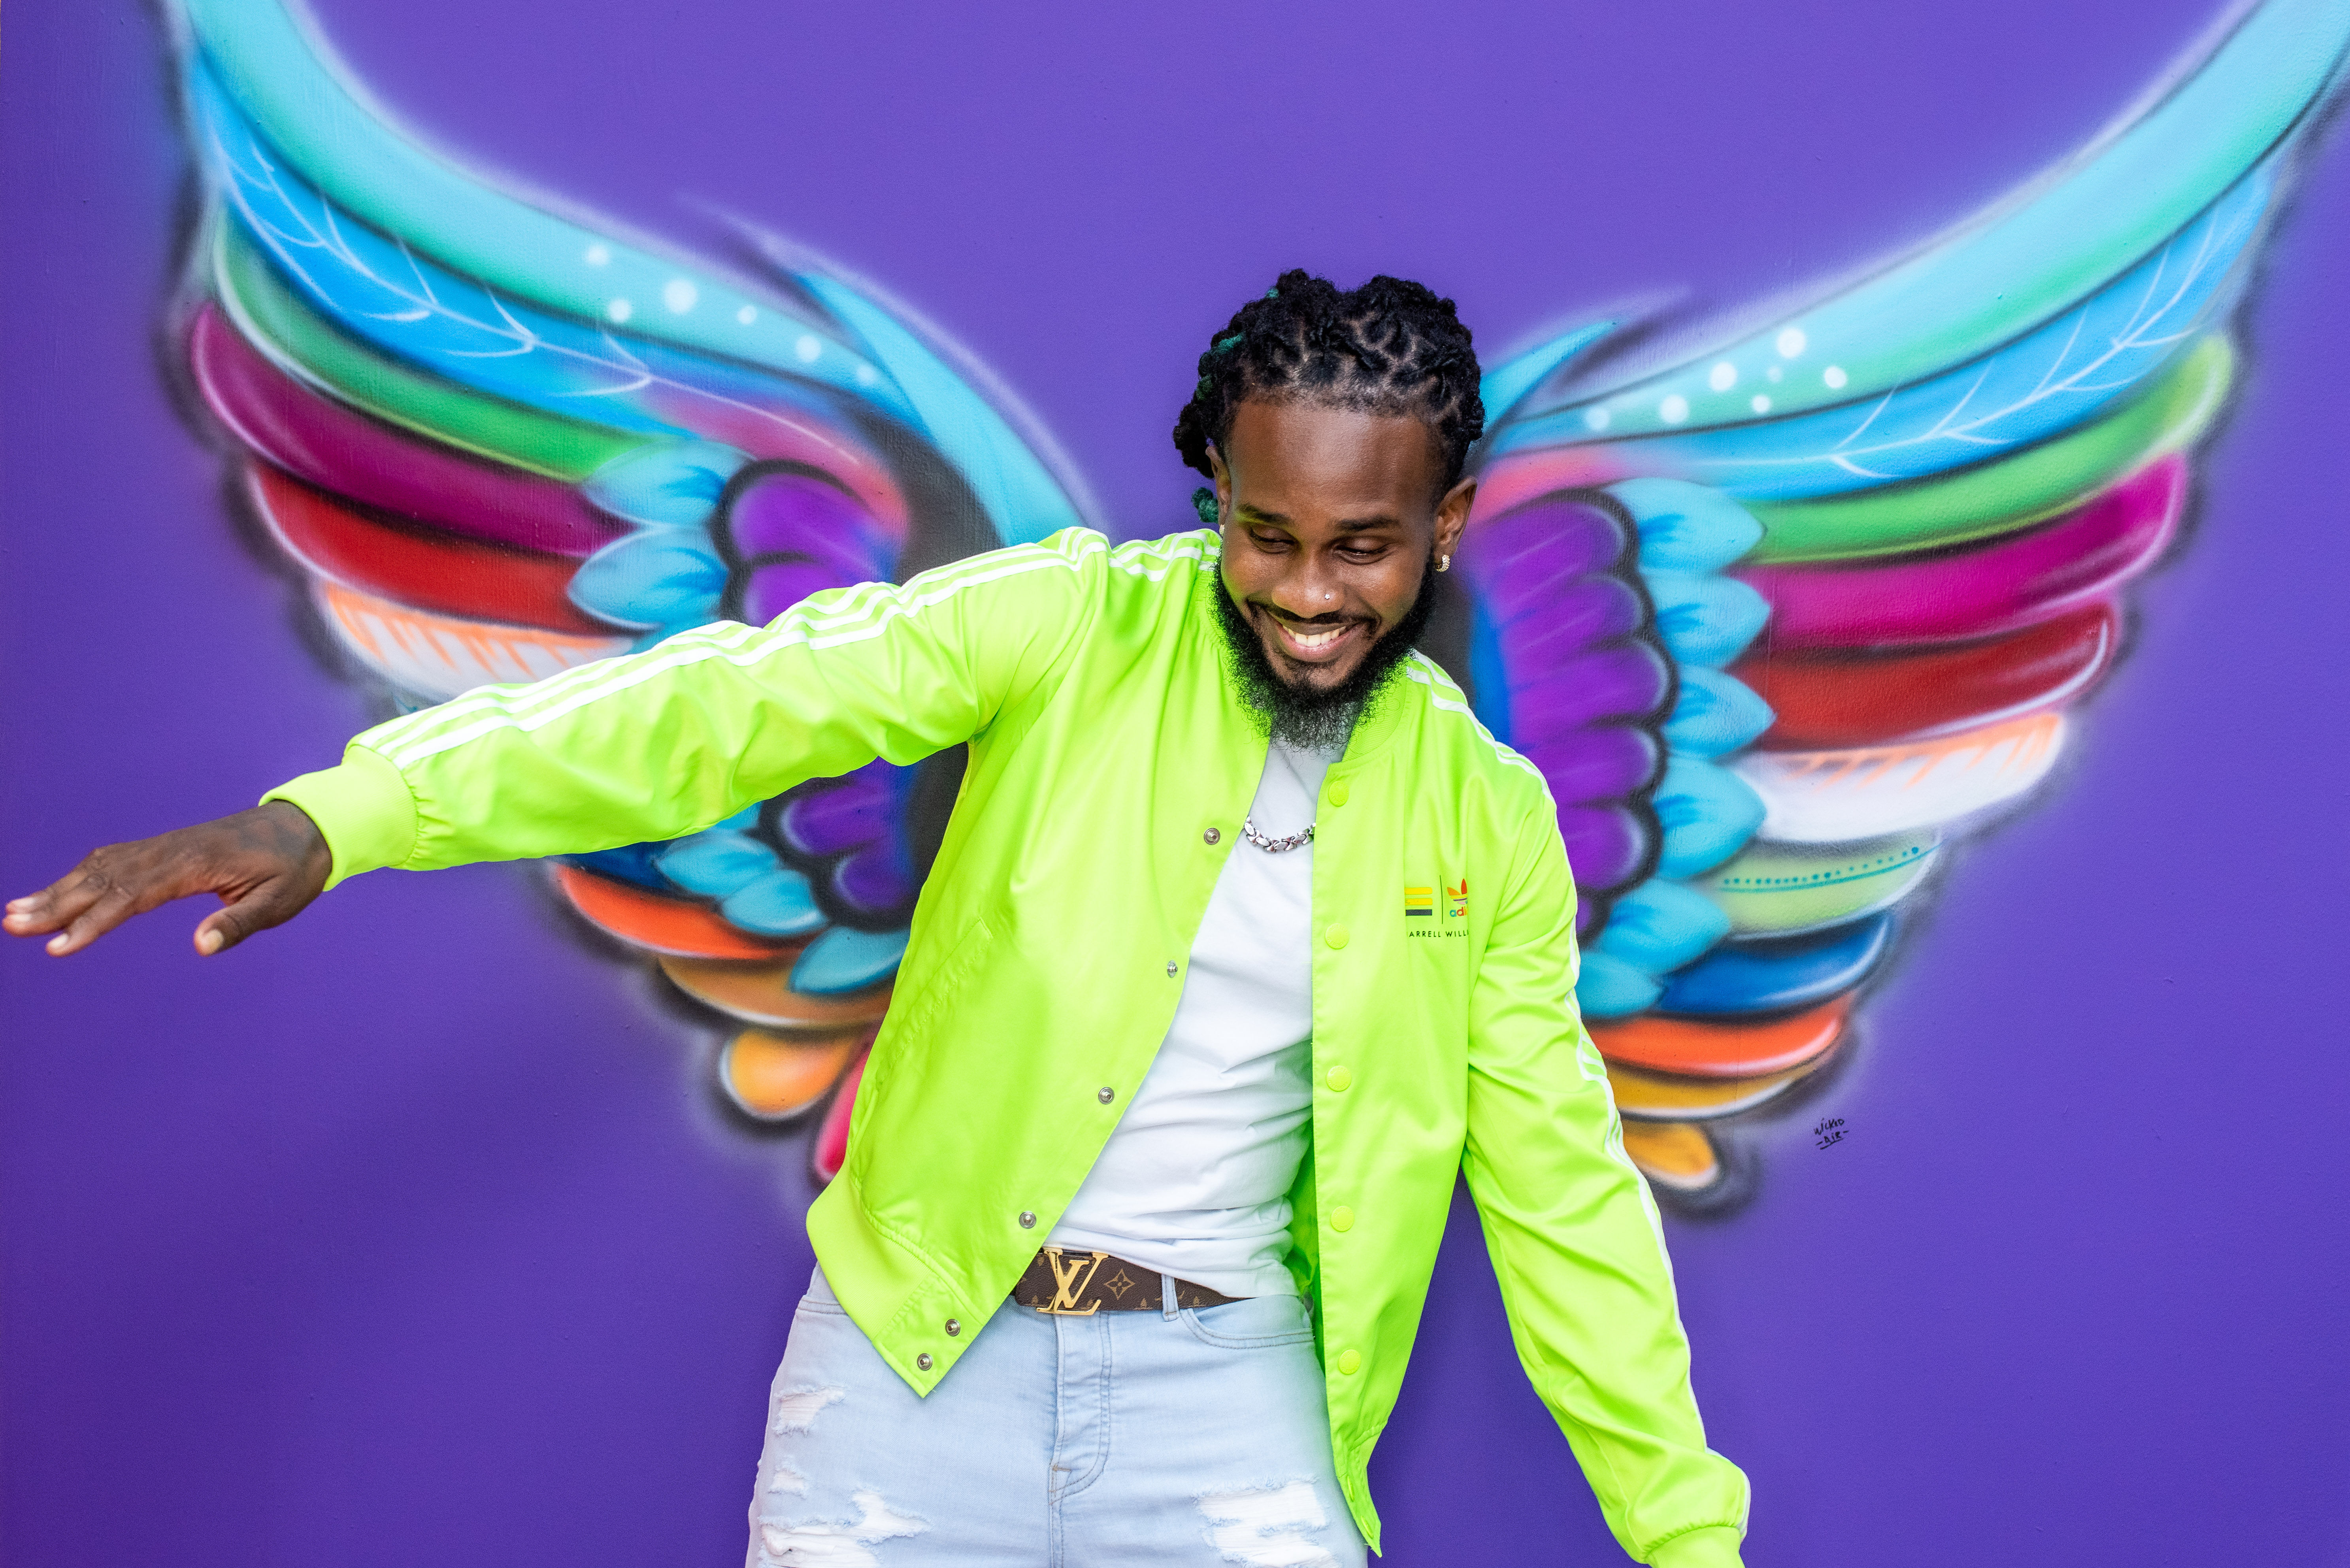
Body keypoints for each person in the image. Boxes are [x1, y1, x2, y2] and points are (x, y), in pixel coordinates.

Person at [8, 272, 1749, 1566]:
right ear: (1216, 500)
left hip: (1232, 1410)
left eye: (1360, 546)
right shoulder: (1066, 624)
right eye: (1264, 533)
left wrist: (1685, 1538)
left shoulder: (1485, 818)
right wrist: (344, 811)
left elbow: (1560, 1191)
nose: (1305, 594)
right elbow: (722, 707)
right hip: (914, 1377)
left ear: (1446, 524)